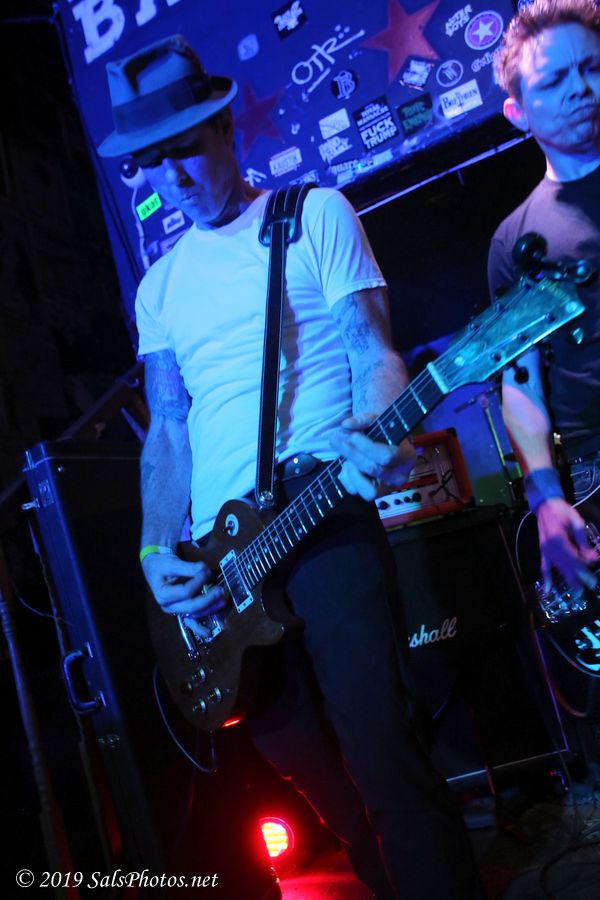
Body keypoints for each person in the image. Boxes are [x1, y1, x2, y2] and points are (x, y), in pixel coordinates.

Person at [97, 34, 484, 899]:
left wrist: (374, 428)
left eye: (185, 151)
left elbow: (373, 350)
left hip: (322, 509)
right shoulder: (158, 289)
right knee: (305, 764)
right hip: (222, 563)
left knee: (383, 748)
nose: (172, 178)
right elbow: (168, 430)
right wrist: (156, 549)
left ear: (224, 129)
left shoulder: (313, 215)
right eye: (152, 163)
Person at [489, 0, 600, 593]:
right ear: (517, 112)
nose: (580, 88)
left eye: (592, 67)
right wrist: (548, 497)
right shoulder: (516, 241)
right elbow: (521, 383)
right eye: (554, 80)